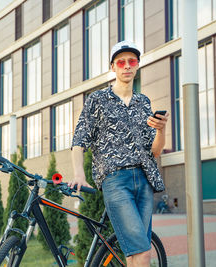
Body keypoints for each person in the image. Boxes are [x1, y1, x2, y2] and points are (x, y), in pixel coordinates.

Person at [69, 40, 169, 267]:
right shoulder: (97, 100)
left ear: (137, 66)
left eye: (131, 61)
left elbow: (153, 150)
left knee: (135, 254)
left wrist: (161, 130)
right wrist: (79, 174)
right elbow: (79, 139)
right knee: (143, 252)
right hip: (115, 180)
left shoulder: (143, 102)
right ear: (112, 67)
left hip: (144, 180)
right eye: (121, 62)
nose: (126, 66)